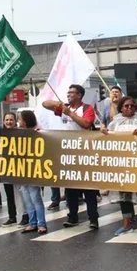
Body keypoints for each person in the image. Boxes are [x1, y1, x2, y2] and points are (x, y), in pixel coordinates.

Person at [42, 85, 99, 229]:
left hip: (84, 153)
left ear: (79, 95)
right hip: (68, 153)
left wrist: (70, 113)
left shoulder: (87, 108)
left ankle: (93, 217)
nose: (69, 95)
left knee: (88, 187)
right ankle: (73, 216)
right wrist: (59, 105)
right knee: (70, 188)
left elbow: (86, 124)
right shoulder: (65, 107)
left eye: (72, 93)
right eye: (68, 93)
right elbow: (45, 104)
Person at [104, 96, 137, 236]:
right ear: (121, 108)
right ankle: (126, 225)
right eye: (126, 106)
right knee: (124, 196)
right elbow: (107, 142)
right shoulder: (114, 123)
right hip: (122, 165)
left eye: (132, 106)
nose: (130, 108)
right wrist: (104, 134)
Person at [17, 110, 47, 234]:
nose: (18, 121)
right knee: (27, 198)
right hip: (22, 169)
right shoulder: (19, 133)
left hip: (34, 169)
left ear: (25, 120)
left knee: (35, 197)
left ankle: (41, 223)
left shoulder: (38, 132)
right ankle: (32, 223)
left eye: (20, 119)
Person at [0, 112, 28, 226]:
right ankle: (12, 217)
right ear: (3, 121)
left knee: (21, 193)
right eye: (6, 120)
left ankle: (25, 215)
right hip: (6, 168)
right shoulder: (1, 134)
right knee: (9, 194)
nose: (8, 122)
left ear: (15, 121)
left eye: (11, 120)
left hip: (19, 167)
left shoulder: (21, 133)